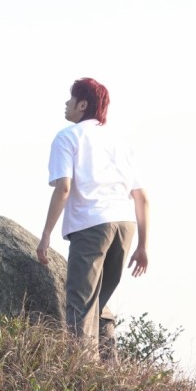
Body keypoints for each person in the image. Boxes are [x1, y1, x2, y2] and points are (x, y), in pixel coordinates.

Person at [36, 77, 150, 361]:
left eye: (70, 99)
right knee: (100, 304)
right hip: (126, 227)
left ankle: (83, 381)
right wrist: (143, 247)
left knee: (81, 308)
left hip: (91, 226)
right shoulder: (121, 142)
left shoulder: (68, 137)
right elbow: (142, 198)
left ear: (82, 104)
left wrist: (47, 234)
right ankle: (109, 373)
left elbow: (63, 188)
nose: (66, 104)